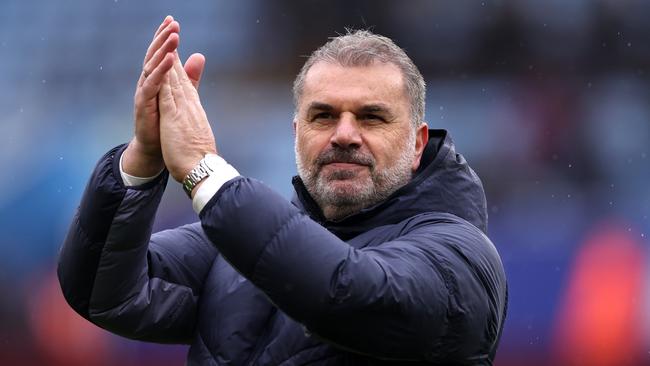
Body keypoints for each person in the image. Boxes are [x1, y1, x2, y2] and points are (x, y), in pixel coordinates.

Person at [58, 15, 507, 365]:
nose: (344, 134)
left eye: (371, 117)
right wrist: (144, 156)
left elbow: (344, 294)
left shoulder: (460, 255)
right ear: (296, 132)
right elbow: (102, 292)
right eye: (323, 116)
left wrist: (202, 170)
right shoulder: (239, 238)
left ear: (417, 143)